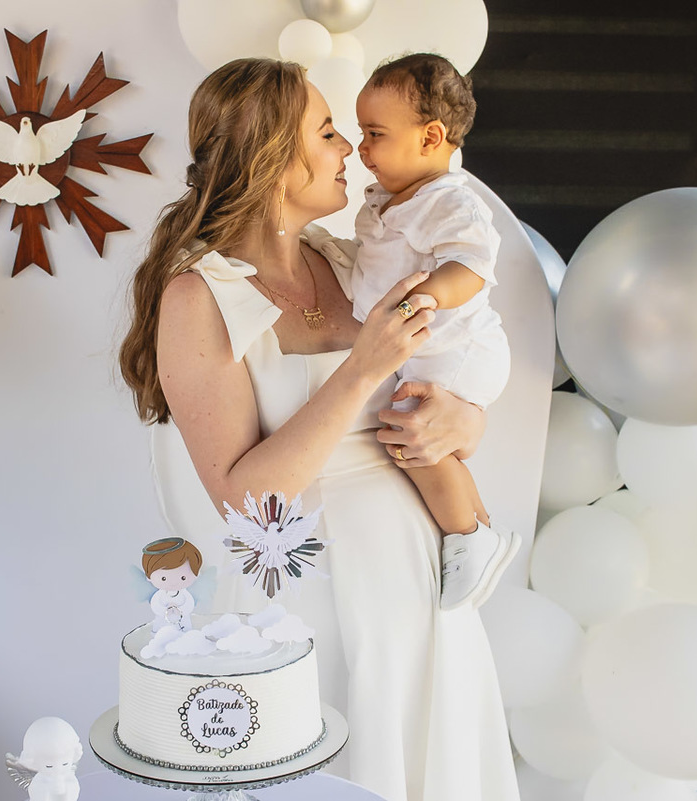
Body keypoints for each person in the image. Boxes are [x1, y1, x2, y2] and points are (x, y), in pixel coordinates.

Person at [119, 58, 519, 801]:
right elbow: (243, 502)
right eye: (329, 131)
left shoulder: (347, 262)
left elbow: (436, 375)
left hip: (418, 582)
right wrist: (361, 368)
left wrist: (468, 417)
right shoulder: (198, 297)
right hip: (308, 601)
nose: (349, 150)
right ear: (274, 157)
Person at [353, 53, 520, 611]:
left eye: (375, 134)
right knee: (428, 443)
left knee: (409, 433)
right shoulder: (390, 199)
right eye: (360, 133)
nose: (361, 149)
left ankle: (467, 539)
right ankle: (480, 531)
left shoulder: (450, 200)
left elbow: (471, 265)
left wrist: (426, 296)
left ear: (430, 137)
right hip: (428, 348)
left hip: (457, 347)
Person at [142, 537, 203, 632]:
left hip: (183, 623)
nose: (173, 583)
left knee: (185, 631)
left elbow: (189, 605)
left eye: (183, 577)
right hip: (163, 624)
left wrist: (180, 610)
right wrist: (167, 610)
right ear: (148, 577)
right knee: (161, 632)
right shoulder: (159, 595)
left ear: (196, 574)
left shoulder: (185, 594)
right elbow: (155, 606)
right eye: (163, 578)